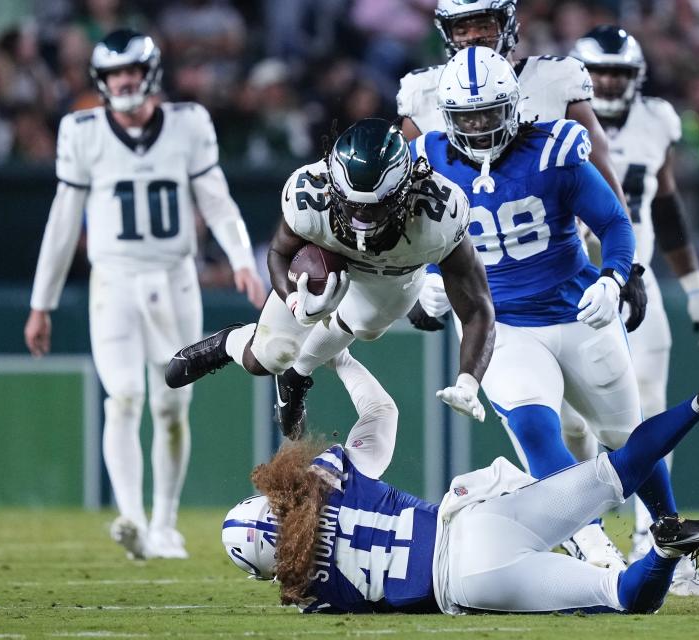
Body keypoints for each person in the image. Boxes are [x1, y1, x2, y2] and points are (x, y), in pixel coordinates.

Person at [221, 352, 699, 614]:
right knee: (617, 466)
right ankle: (697, 405)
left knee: (617, 597)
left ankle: (664, 550)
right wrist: (336, 353)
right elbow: (380, 411)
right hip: (473, 517)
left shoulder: (312, 598)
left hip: (470, 581)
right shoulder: (326, 482)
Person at [409, 46, 671, 574]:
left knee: (627, 438)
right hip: (501, 325)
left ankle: (670, 534)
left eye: (489, 113)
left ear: (515, 107)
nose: (480, 127)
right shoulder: (426, 159)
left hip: (577, 314)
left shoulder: (554, 148)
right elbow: (415, 237)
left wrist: (614, 278)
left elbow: (615, 222)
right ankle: (593, 545)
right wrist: (426, 280)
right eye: (467, 116)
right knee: (534, 426)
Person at [24, 29, 264, 560]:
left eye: (130, 70)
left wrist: (242, 260)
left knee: (172, 404)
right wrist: (42, 302)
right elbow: (63, 223)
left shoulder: (187, 124)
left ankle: (165, 523)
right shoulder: (82, 131)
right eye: (113, 74)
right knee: (124, 396)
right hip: (113, 280)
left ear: (149, 73)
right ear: (101, 81)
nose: (123, 81)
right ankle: (131, 518)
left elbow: (217, 200)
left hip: (175, 279)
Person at [165, 118, 495, 438]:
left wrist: (469, 382)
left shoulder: (439, 214)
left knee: (367, 327)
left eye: (375, 207)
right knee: (268, 356)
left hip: (391, 274)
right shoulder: (310, 192)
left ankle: (297, 375)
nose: (360, 219)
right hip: (328, 258)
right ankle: (228, 343)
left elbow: (477, 307)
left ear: (406, 191)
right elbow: (278, 253)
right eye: (351, 205)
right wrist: (294, 299)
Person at [568, 25, 699, 595]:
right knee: (572, 424)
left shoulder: (657, 122)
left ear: (636, 79)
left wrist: (696, 286)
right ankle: (585, 530)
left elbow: (668, 203)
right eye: (600, 72)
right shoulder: (547, 116)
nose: (608, 82)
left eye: (619, 73)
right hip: (568, 285)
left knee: (648, 408)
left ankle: (656, 534)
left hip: (635, 282)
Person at [396, 0, 629, 209]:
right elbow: (400, 187)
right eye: (462, 29)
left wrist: (628, 251)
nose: (474, 37)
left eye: (484, 26)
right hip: (465, 243)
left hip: (551, 241)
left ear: (507, 24)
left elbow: (603, 175)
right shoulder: (423, 92)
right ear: (448, 35)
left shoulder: (557, 79)